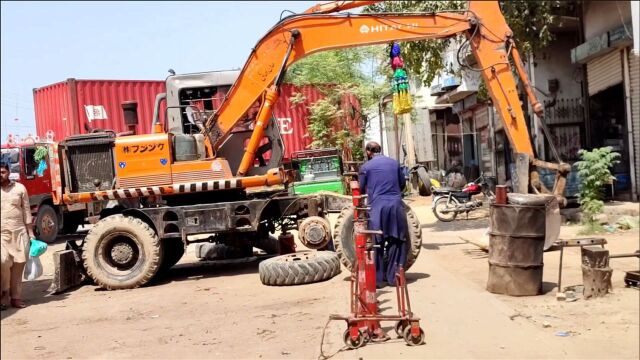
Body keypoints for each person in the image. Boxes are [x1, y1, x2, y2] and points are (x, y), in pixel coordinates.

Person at [358, 141, 408, 289]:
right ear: (380, 150)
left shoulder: (366, 167)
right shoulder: (394, 163)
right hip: (395, 206)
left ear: (368, 152)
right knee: (397, 241)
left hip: (377, 209)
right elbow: (402, 184)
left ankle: (378, 280)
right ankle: (394, 279)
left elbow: (360, 189)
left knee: (377, 243)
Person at [1, 161, 34, 310]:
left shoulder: (20, 188)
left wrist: (31, 233)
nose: (0, 175)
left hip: (19, 232)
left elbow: (27, 211)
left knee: (19, 265)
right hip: (2, 234)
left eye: (2, 172)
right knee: (3, 262)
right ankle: (4, 293)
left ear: (8, 172)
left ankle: (15, 297)